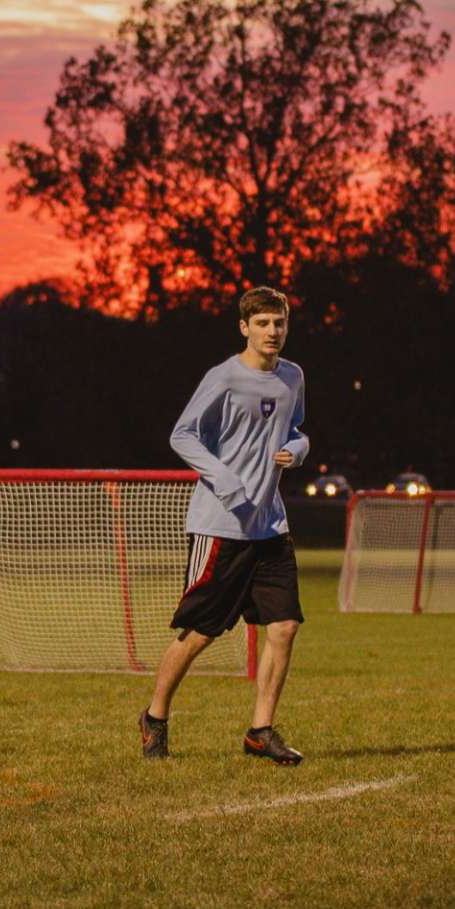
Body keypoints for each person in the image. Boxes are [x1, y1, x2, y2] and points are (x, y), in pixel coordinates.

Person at [140, 285, 310, 763]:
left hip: (270, 526)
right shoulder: (224, 377)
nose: (272, 331)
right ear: (244, 328)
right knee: (201, 633)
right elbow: (183, 434)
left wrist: (298, 450)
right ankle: (154, 716)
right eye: (262, 323)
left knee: (285, 626)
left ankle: (260, 731)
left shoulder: (293, 376)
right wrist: (226, 480)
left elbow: (295, 429)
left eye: (279, 322)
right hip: (220, 526)